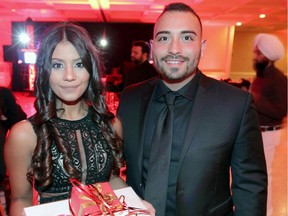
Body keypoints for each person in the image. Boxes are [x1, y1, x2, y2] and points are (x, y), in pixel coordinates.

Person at [117, 2, 267, 216]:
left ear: (202, 47)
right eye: (164, 38)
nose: (174, 49)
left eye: (187, 38)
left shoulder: (235, 104)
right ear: (153, 46)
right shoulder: (131, 97)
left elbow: (250, 184)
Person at [4, 22, 127, 216]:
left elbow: (112, 180)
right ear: (44, 70)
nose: (69, 76)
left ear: (91, 69)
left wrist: (138, 206)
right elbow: (21, 199)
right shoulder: (25, 135)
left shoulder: (111, 125)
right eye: (57, 65)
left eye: (79, 64)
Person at [249, 33, 287, 216]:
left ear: (267, 55)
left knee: (265, 175)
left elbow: (280, 111)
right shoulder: (263, 75)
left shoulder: (278, 78)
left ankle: (267, 211)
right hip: (260, 132)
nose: (255, 56)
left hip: (269, 134)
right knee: (256, 174)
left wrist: (255, 98)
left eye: (258, 53)